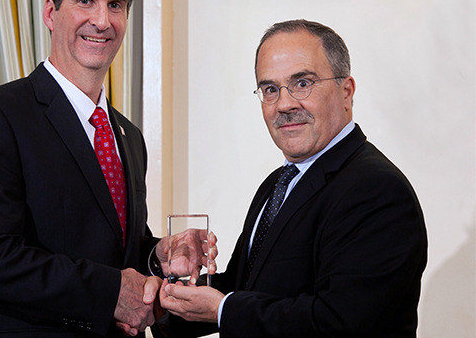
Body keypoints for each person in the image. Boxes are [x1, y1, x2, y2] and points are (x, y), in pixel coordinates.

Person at [0, 0, 212, 337]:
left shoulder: (129, 137)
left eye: (116, 5)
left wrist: (158, 257)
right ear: (50, 12)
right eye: (85, 1)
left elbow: (111, 251)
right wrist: (110, 293)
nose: (102, 21)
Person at [157, 19, 427, 337]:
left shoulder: (378, 191)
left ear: (346, 92)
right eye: (270, 89)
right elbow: (247, 289)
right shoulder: (278, 184)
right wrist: (166, 296)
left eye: (302, 83)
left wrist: (223, 310)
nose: (284, 104)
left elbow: (340, 324)